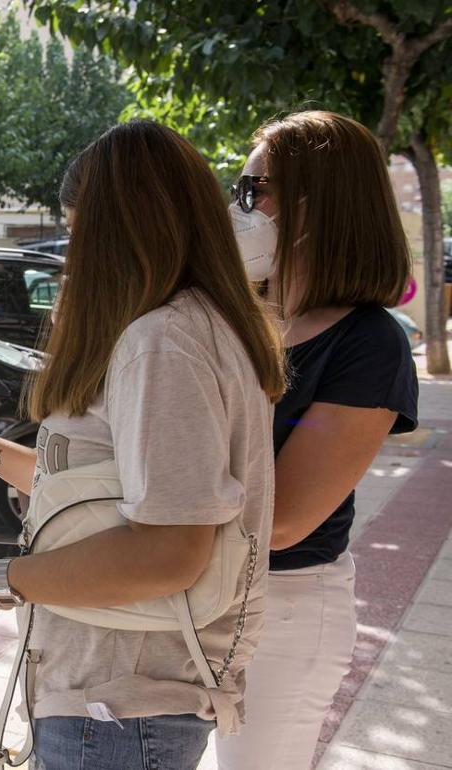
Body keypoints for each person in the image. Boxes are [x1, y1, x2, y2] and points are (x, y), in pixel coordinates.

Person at [0, 121, 286, 770]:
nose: (75, 257)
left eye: (80, 234)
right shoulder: (194, 325)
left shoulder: (164, 341)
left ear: (119, 231)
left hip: (121, 714)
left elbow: (168, 550)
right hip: (115, 707)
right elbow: (110, 491)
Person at [214, 111, 419, 769]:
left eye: (252, 192)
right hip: (193, 588)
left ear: (314, 205)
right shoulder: (236, 319)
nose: (235, 207)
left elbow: (283, 521)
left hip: (284, 610)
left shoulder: (370, 343)